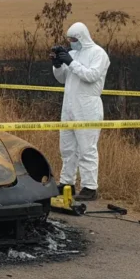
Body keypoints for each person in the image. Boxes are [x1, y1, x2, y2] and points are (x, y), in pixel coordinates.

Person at [51, 22, 110, 201]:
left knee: (87, 149)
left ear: (82, 37)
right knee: (67, 148)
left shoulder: (98, 54)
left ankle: (89, 187)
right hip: (69, 107)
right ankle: (67, 182)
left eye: (74, 39)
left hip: (88, 108)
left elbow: (91, 76)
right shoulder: (73, 53)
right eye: (69, 40)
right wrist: (58, 65)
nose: (72, 42)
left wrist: (71, 62)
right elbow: (62, 79)